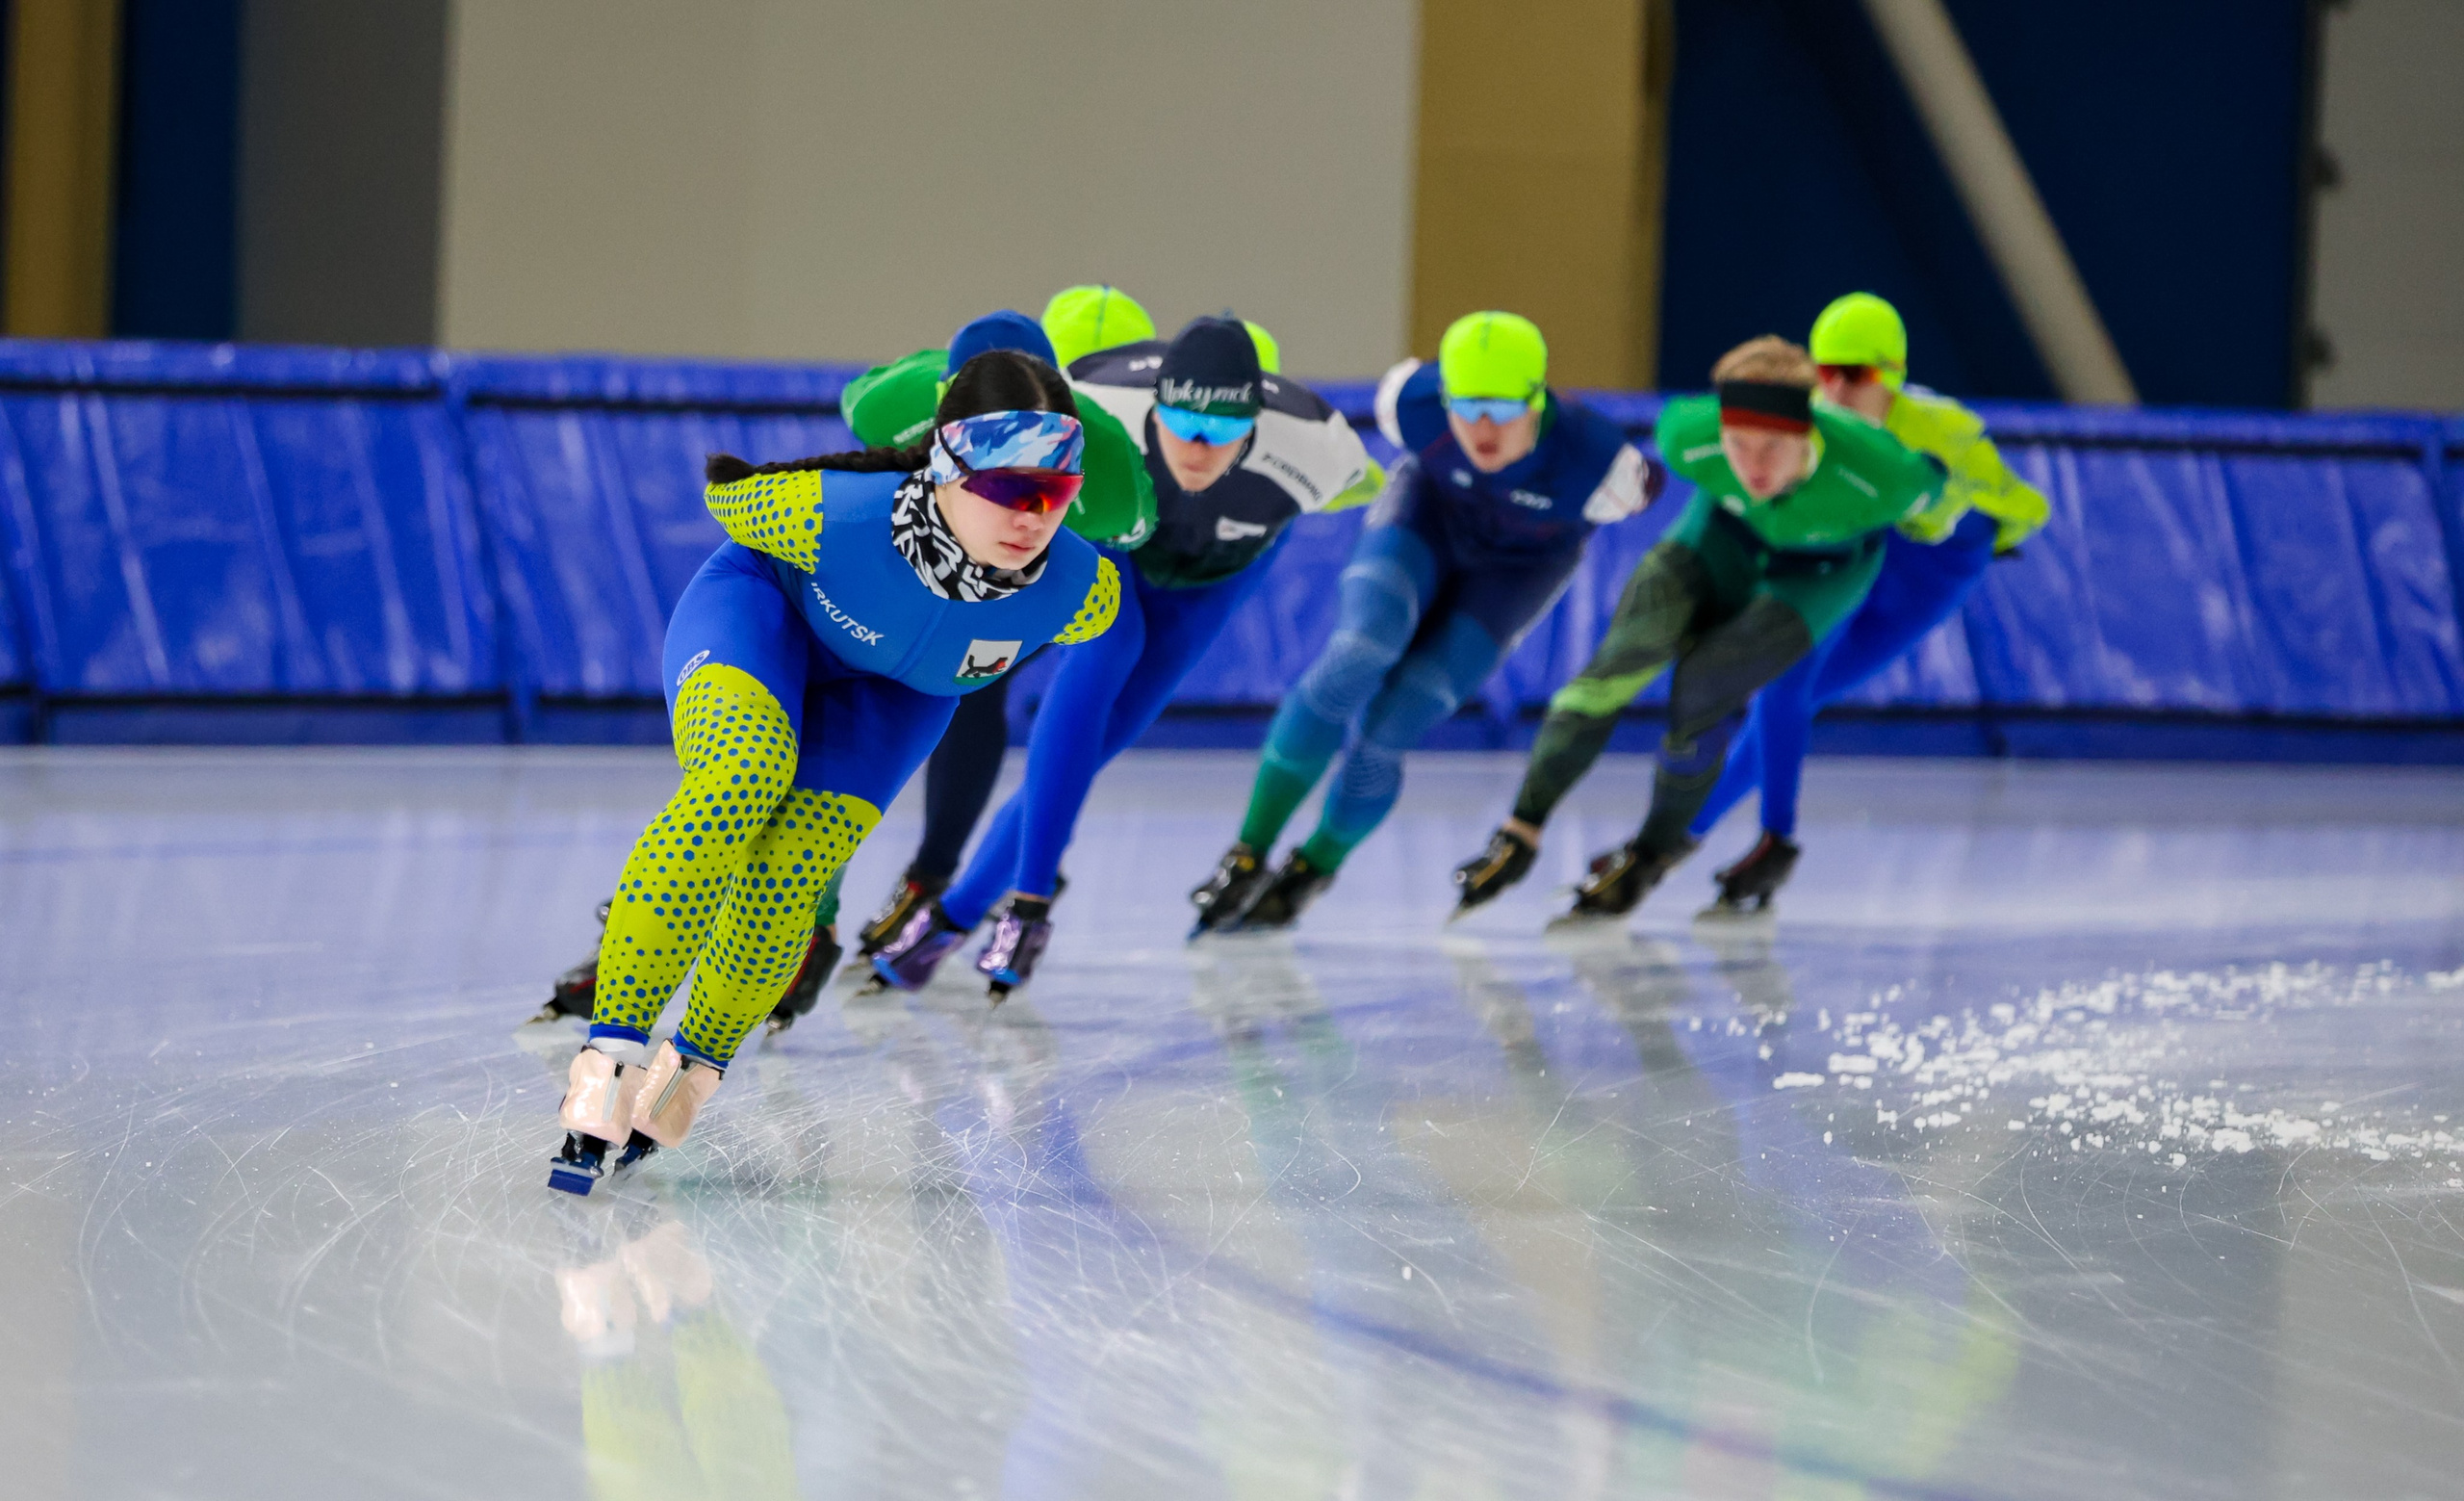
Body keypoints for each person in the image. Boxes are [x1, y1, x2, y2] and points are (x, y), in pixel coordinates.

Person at [548, 349, 1119, 1194]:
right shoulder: (831, 515)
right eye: (1006, 487)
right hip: (763, 616)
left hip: (895, 695)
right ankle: (611, 1054)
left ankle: (688, 1073)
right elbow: (723, 494)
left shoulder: (1081, 593)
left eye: (1056, 492)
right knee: (742, 780)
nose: (1033, 516)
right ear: (947, 466)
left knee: (794, 869)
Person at [868, 315, 1376, 996]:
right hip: (1122, 545)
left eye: (1221, 431)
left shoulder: (1319, 449)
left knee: (1097, 744)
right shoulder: (1099, 406)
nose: (1197, 447)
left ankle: (951, 919)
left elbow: (1370, 481)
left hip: (1212, 578)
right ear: (1154, 405)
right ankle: (1030, 903)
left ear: (1257, 422)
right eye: (1180, 422)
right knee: (1107, 654)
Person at [1189, 311, 1664, 931]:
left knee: (1394, 722)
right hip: (1425, 524)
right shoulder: (1408, 404)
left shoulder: (1602, 467)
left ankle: (1313, 868)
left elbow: (1647, 488)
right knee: (1357, 651)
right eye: (1466, 407)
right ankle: (1247, 852)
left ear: (1538, 400)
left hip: (1515, 572)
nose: (1481, 428)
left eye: (1501, 409)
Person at [1450, 334, 1942, 924]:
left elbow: (1940, 494)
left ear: (1811, 430)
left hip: (1821, 572)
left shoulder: (1882, 474)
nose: (1753, 465)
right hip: (1719, 537)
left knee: (1705, 690)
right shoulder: (1686, 435)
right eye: (1738, 444)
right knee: (1610, 674)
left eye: (1772, 446)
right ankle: (1519, 831)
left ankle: (1650, 856)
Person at [1692, 294, 2049, 913]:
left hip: (1933, 569)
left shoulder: (1943, 430)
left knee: (1797, 691)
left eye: (1852, 375)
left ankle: (1692, 836)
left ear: (1893, 375)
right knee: (1783, 685)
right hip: (1864, 549)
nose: (1833, 389)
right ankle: (1682, 838)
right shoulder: (1809, 422)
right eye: (1822, 372)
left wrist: (1992, 535)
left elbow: (2027, 506)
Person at [841, 304, 1159, 961]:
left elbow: (1130, 530)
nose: (1005, 450)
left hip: (1043, 556)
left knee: (971, 680)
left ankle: (933, 875)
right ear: (942, 402)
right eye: (983, 435)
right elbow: (859, 413)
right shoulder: (890, 405)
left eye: (1030, 435)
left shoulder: (1103, 472)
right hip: (938, 527)